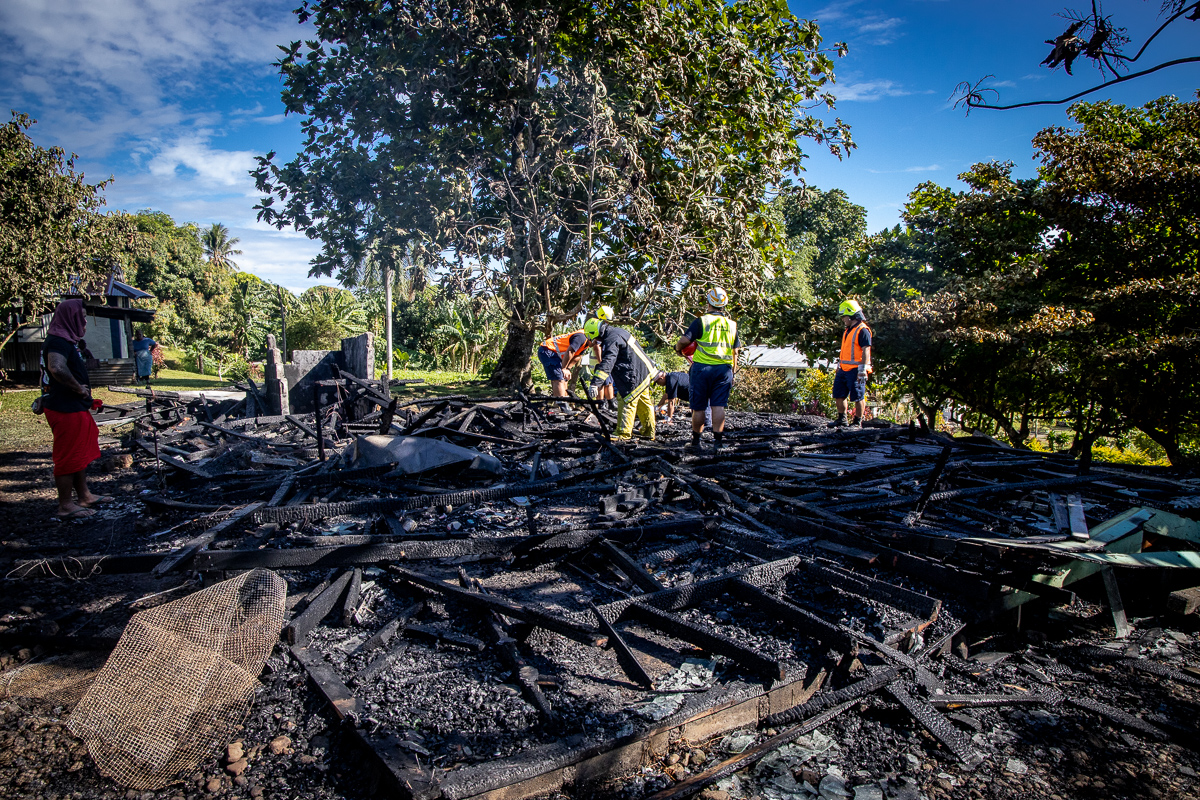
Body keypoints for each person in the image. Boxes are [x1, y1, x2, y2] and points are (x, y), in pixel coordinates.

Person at [39, 299, 110, 519]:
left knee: (78, 453)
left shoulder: (66, 340)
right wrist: (79, 389)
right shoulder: (58, 341)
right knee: (68, 456)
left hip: (72, 406)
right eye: (81, 316)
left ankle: (84, 496)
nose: (85, 321)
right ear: (70, 317)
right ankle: (66, 505)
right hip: (65, 407)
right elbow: (56, 368)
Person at [675, 287, 740, 450]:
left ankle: (696, 443)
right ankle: (718, 443)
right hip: (724, 370)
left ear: (708, 301)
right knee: (718, 406)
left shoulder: (701, 321)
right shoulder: (732, 325)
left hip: (702, 369)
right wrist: (733, 372)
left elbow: (684, 341)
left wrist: (677, 349)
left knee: (699, 407)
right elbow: (735, 352)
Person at [585, 317, 657, 440]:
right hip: (644, 372)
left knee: (626, 400)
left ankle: (623, 434)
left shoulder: (611, 339)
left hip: (633, 375)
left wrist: (595, 383)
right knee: (644, 403)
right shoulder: (617, 332)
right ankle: (648, 432)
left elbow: (608, 362)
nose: (596, 342)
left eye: (595, 339)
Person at [832, 299, 873, 428]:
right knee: (839, 393)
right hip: (844, 369)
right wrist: (839, 365)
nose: (843, 319)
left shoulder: (863, 330)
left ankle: (857, 422)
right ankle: (842, 419)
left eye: (844, 316)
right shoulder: (848, 330)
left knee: (858, 396)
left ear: (851, 315)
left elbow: (866, 350)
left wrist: (862, 370)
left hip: (856, 370)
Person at [537, 329, 590, 407]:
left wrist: (568, 368)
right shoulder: (581, 337)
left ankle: (563, 404)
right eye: (596, 342)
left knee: (564, 378)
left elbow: (577, 356)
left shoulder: (587, 343)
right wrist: (564, 368)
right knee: (559, 379)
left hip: (555, 354)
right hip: (548, 350)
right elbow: (570, 352)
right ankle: (562, 406)